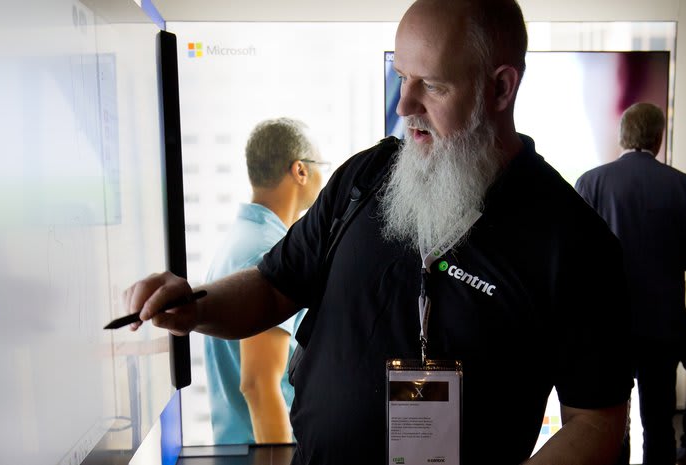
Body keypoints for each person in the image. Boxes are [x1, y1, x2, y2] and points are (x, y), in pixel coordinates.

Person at [123, 1, 634, 463]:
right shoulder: (365, 177)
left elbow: (595, 422)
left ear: (501, 87)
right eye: (402, 77)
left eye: (432, 85)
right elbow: (274, 284)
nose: (404, 105)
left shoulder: (573, 240)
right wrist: (196, 306)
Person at [575, 102, 686, 465]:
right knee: (658, 424)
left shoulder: (590, 182)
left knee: (613, 426)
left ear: (622, 136)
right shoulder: (684, 185)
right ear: (658, 138)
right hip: (663, 325)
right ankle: (684, 448)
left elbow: (577, 256)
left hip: (610, 327)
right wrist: (665, 257)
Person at [201, 118, 324, 445]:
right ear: (300, 170)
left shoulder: (242, 238)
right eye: (321, 166)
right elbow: (258, 385)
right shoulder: (266, 251)